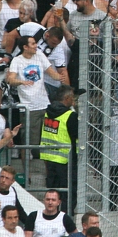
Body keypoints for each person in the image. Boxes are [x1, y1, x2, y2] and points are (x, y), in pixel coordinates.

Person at [6, 35, 68, 153]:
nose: (36, 46)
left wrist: (61, 76)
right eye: (33, 44)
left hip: (44, 105)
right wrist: (21, 81)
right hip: (29, 107)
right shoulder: (17, 60)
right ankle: (27, 170)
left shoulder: (39, 54)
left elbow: (52, 73)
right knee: (29, 143)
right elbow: (10, 80)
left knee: (47, 141)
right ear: (25, 47)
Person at [40, 85, 79, 214]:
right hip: (66, 161)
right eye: (72, 98)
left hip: (49, 159)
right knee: (68, 195)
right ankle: (66, 220)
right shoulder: (70, 115)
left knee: (53, 193)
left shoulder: (47, 113)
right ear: (67, 98)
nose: (74, 101)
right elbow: (78, 135)